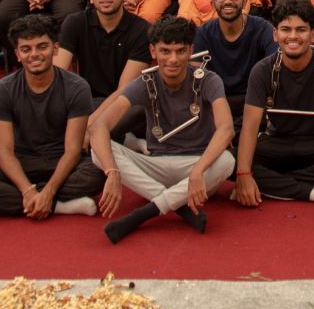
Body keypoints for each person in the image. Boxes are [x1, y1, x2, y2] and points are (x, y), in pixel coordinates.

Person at [90, 15, 236, 242]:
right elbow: (99, 126)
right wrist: (112, 171)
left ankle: (145, 213)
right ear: (153, 51)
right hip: (156, 163)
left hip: (196, 167)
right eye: (165, 51)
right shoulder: (144, 83)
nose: (173, 59)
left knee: (227, 161)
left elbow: (226, 128)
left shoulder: (208, 79)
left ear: (190, 50)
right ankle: (178, 206)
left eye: (180, 51)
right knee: (98, 151)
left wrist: (198, 171)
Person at [0, 16, 104, 218]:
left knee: (97, 174)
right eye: (26, 49)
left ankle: (14, 203)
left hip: (61, 161)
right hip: (22, 163)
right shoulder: (3, 89)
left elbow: (72, 151)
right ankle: (57, 205)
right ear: (17, 54)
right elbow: (4, 152)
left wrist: (49, 190)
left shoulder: (77, 87)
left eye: (42, 47)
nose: (34, 54)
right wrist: (28, 190)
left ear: (55, 49)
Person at [233, 0, 314, 210]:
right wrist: (243, 174)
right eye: (286, 29)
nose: (293, 37)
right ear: (275, 34)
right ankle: (312, 192)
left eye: (301, 30)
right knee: (230, 163)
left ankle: (272, 184)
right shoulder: (262, 70)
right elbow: (250, 127)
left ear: (313, 35)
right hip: (278, 143)